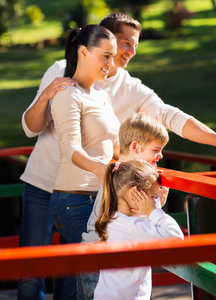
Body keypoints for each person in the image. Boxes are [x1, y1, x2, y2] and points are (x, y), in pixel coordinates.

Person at [18, 12, 216, 300]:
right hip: (46, 185)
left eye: (134, 46)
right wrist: (46, 97)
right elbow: (31, 129)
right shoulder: (61, 71)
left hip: (93, 192)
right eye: (125, 43)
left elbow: (170, 116)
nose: (129, 52)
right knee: (31, 276)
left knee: (75, 275)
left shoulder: (128, 88)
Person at [48, 24, 119, 299]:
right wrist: (102, 170)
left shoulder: (101, 96)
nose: (110, 64)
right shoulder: (68, 94)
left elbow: (112, 146)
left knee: (86, 280)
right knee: (96, 278)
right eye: (105, 56)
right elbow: (71, 149)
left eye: (112, 57)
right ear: (83, 52)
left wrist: (140, 160)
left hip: (99, 197)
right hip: (74, 200)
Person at [77, 112, 169, 299]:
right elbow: (140, 220)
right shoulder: (133, 181)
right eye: (156, 150)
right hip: (104, 266)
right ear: (135, 146)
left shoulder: (117, 173)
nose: (160, 156)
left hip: (91, 258)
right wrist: (155, 205)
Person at [93, 160, 184, 300]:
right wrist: (154, 211)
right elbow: (176, 238)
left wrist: (153, 206)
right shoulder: (132, 227)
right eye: (153, 197)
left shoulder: (114, 217)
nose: (154, 201)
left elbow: (144, 222)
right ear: (133, 194)